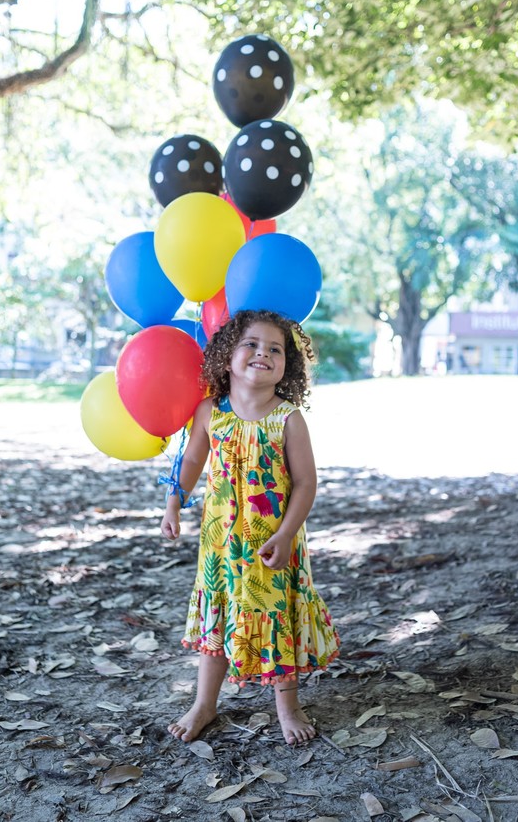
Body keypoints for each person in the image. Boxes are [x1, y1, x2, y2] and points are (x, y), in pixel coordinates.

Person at [160, 309, 340, 746]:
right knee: (219, 616)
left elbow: (305, 482)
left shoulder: (288, 419)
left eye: (275, 349)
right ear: (226, 356)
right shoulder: (209, 412)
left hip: (274, 543)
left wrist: (285, 534)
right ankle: (204, 703)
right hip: (221, 544)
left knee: (275, 613)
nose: (264, 353)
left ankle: (288, 706)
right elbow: (190, 463)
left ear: (287, 366)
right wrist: (173, 504)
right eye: (252, 344)